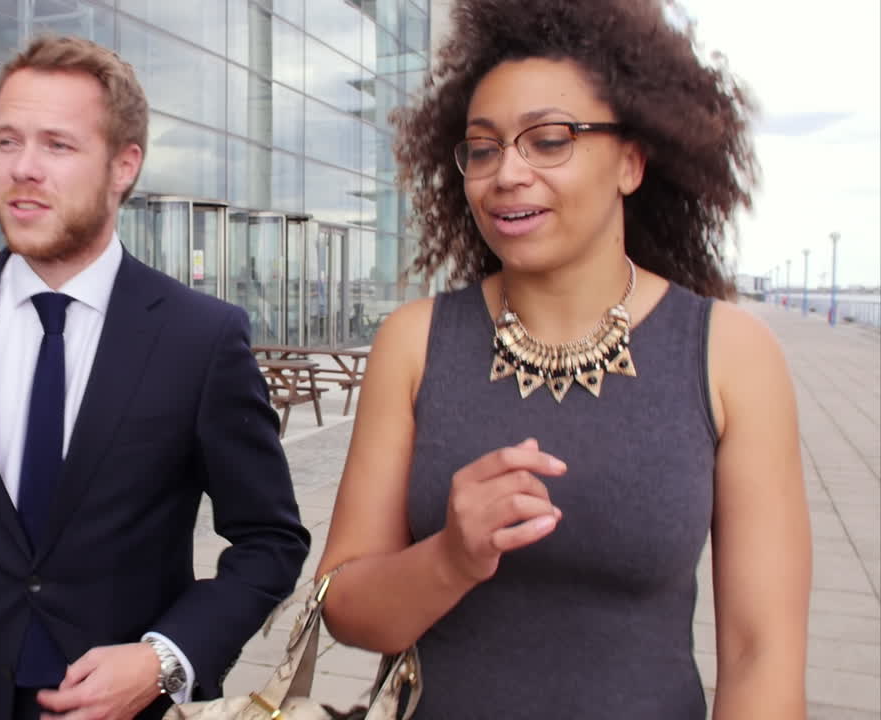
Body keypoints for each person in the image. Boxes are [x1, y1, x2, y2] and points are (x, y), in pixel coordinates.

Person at [315, 1, 811, 718]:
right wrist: (449, 558)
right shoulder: (414, 342)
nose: (506, 173)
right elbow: (343, 608)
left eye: (549, 140)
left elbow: (760, 653)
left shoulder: (731, 354)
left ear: (631, 162)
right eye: (482, 149)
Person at [0, 34, 310, 720]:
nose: (23, 168)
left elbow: (271, 541)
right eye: (7, 141)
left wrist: (163, 659)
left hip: (126, 706)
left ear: (123, 166)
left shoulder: (199, 338)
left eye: (58, 144)